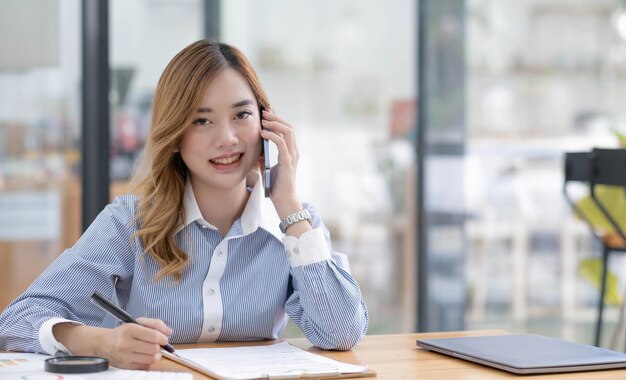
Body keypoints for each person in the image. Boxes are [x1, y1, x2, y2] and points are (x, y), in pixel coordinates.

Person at [0, 39, 368, 369]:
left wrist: (288, 203)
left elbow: (340, 334)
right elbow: (16, 321)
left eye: (242, 115)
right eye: (201, 120)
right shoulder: (130, 221)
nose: (227, 139)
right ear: (175, 134)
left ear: (266, 125)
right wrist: (103, 342)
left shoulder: (293, 225)